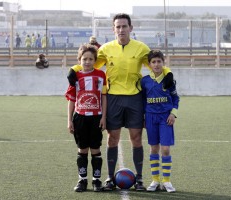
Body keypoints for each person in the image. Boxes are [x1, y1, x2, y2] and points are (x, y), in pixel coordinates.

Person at [68, 13, 174, 191]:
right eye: (118, 26)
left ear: (130, 28)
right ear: (113, 29)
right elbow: (90, 63)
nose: (121, 30)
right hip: (113, 98)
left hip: (134, 98)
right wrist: (74, 68)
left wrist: (168, 72)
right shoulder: (106, 49)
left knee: (136, 138)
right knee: (112, 138)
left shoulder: (141, 48)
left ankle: (139, 179)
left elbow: (156, 64)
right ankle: (110, 178)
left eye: (124, 26)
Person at [65, 44, 107, 192]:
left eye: (90, 59)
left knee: (95, 149)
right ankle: (82, 180)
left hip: (96, 118)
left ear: (95, 60)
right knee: (82, 149)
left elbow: (103, 96)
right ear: (79, 60)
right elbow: (71, 99)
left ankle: (97, 180)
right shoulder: (75, 76)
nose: (87, 62)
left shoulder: (101, 75)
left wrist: (104, 117)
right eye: (84, 59)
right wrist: (69, 120)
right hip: (80, 118)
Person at [141, 50, 179, 193]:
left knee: (165, 149)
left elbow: (176, 99)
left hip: (165, 118)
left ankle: (167, 181)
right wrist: (144, 117)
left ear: (163, 63)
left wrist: (173, 114)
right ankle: (155, 180)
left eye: (159, 61)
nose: (156, 64)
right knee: (154, 148)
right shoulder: (144, 81)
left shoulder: (169, 80)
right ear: (149, 64)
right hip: (150, 118)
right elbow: (142, 101)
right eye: (153, 62)